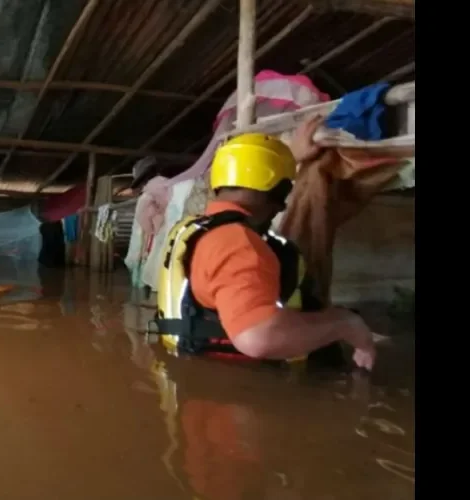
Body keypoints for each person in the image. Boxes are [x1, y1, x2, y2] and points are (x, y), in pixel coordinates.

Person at [155, 118, 377, 370]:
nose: (283, 207)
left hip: (194, 378)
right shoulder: (238, 244)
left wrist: (289, 159)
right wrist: (343, 323)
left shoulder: (193, 228)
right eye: (284, 194)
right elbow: (258, 339)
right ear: (277, 191)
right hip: (240, 390)